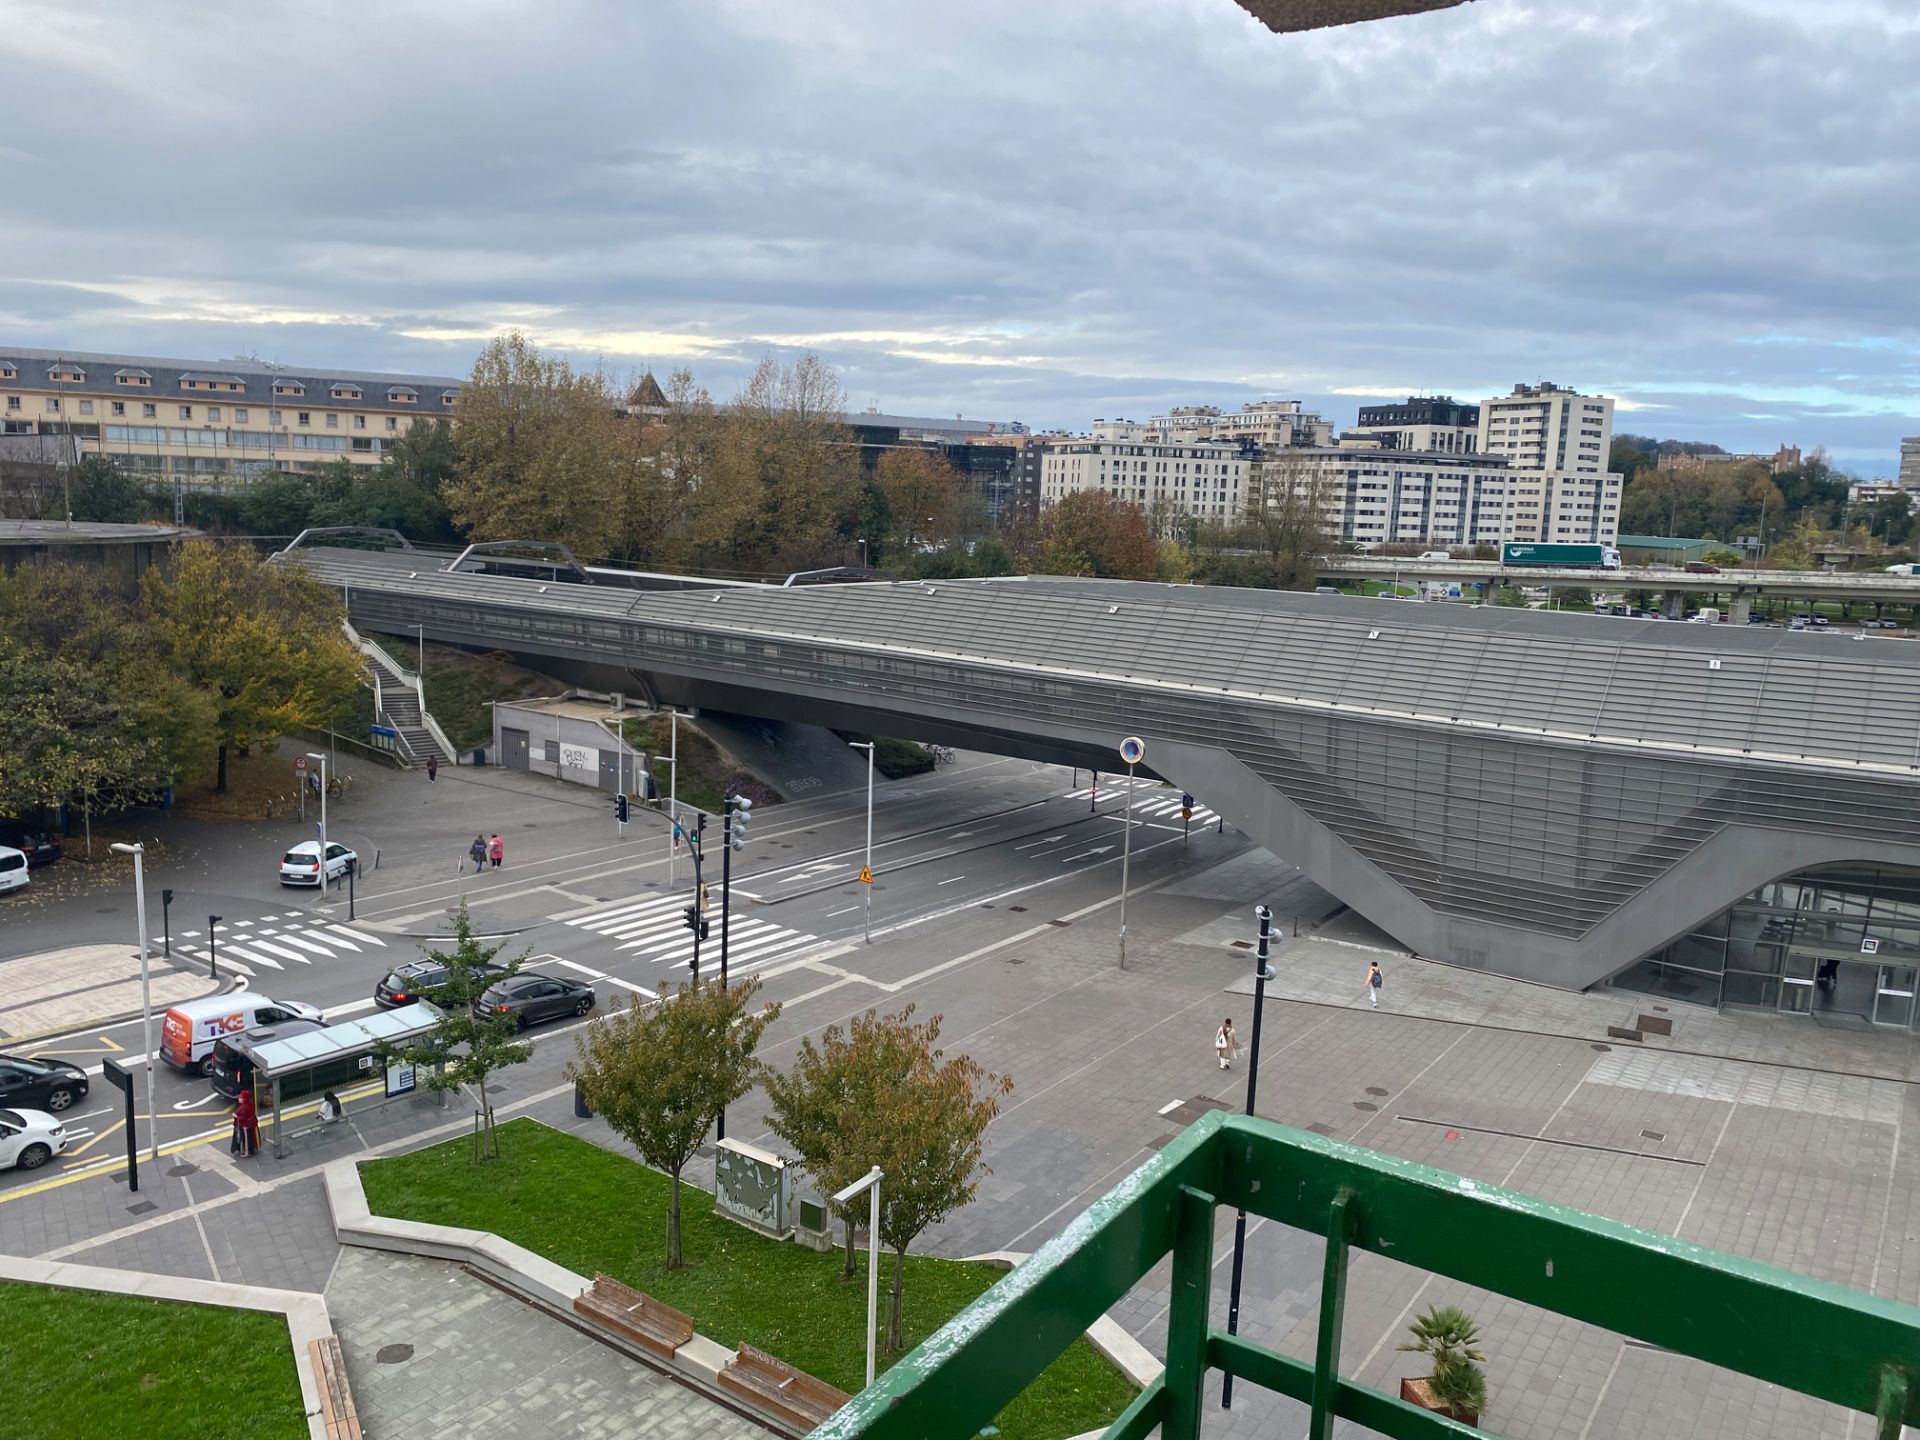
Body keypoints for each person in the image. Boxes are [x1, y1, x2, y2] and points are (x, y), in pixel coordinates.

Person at [232, 1087, 259, 1158]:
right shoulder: (251, 1104)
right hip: (251, 1123)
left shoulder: (244, 1107)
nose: (239, 1098)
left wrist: (235, 1116)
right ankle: (253, 1148)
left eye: (240, 1098)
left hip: (245, 1126)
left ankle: (247, 1152)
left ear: (244, 1099)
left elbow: (243, 1118)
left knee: (246, 1139)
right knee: (251, 1137)